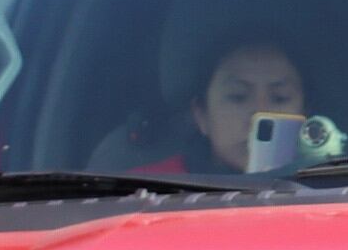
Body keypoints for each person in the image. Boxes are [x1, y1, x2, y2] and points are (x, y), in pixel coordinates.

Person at [139, 29, 332, 176]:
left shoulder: (339, 190)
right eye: (238, 97)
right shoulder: (142, 193)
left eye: (279, 98)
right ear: (201, 115)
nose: (259, 117)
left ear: (305, 115)